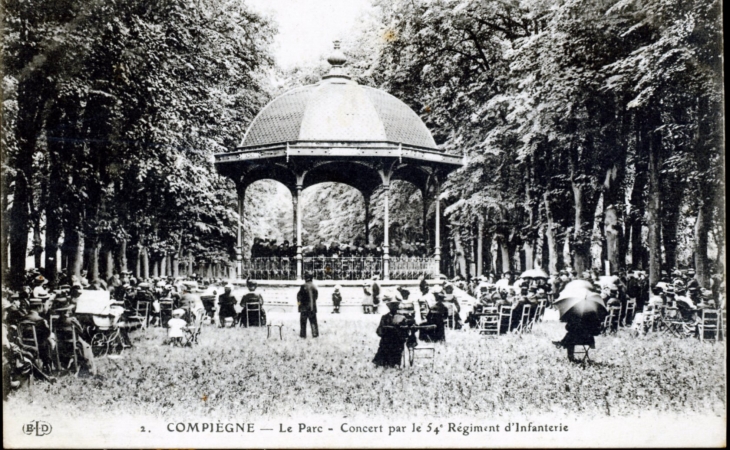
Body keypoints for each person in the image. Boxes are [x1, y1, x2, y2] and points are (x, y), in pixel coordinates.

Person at [372, 296, 410, 368]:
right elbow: (379, 331)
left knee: (396, 346)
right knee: (384, 345)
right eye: (392, 305)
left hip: (398, 340)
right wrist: (385, 330)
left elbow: (406, 330)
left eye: (395, 305)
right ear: (389, 307)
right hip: (386, 339)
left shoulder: (403, 316)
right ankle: (382, 363)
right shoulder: (385, 317)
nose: (393, 307)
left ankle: (395, 363)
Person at [297, 272, 319, 338]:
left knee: (303, 322)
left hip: (304, 308)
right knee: (313, 321)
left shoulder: (303, 286)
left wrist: (299, 305)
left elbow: (298, 297)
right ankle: (315, 334)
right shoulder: (314, 286)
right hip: (312, 307)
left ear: (305, 278)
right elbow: (316, 296)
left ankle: (303, 335)